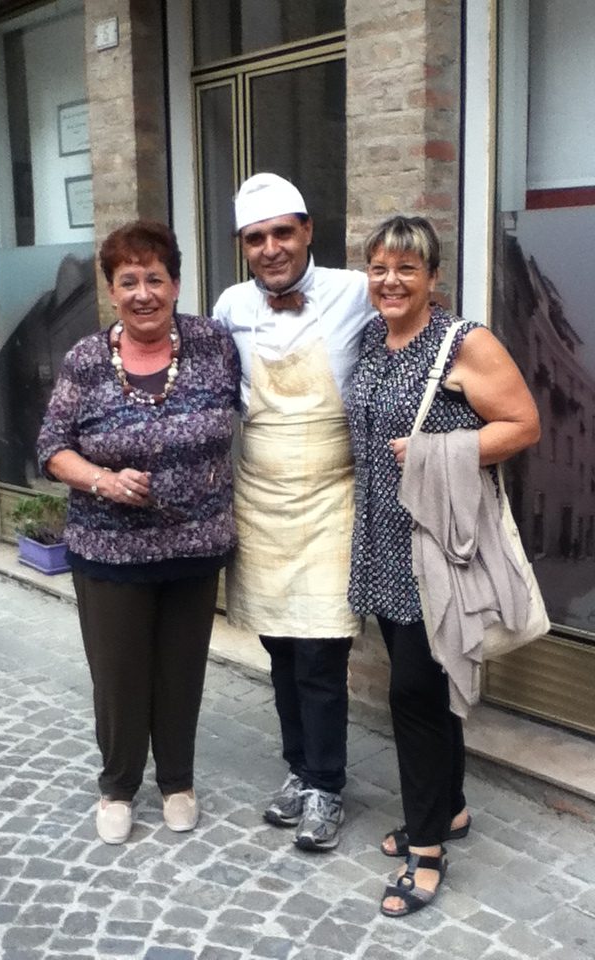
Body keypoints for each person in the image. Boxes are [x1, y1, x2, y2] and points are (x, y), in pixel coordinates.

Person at [344, 215, 540, 916]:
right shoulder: (373, 337)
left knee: (414, 700)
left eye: (406, 269)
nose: (390, 281)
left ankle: (427, 852)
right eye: (379, 268)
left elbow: (522, 425)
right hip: (383, 545)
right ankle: (449, 807)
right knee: (427, 692)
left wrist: (438, 451)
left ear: (433, 278)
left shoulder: (464, 342)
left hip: (438, 552)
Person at [37, 220, 240, 845]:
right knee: (121, 678)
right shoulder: (86, 360)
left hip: (194, 547)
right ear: (112, 290)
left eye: (155, 278)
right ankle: (118, 785)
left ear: (176, 284)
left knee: (182, 672)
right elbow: (51, 447)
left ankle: (177, 780)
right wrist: (100, 479)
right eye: (129, 281)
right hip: (109, 552)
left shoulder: (214, 345)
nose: (143, 292)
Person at [213, 173, 375, 852]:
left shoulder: (358, 291)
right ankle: (299, 770)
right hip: (260, 497)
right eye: (257, 238)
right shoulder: (228, 306)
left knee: (320, 650)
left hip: (333, 495)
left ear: (308, 230)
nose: (272, 248)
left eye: (283, 232)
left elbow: (417, 336)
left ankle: (328, 785)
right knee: (279, 647)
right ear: (243, 246)